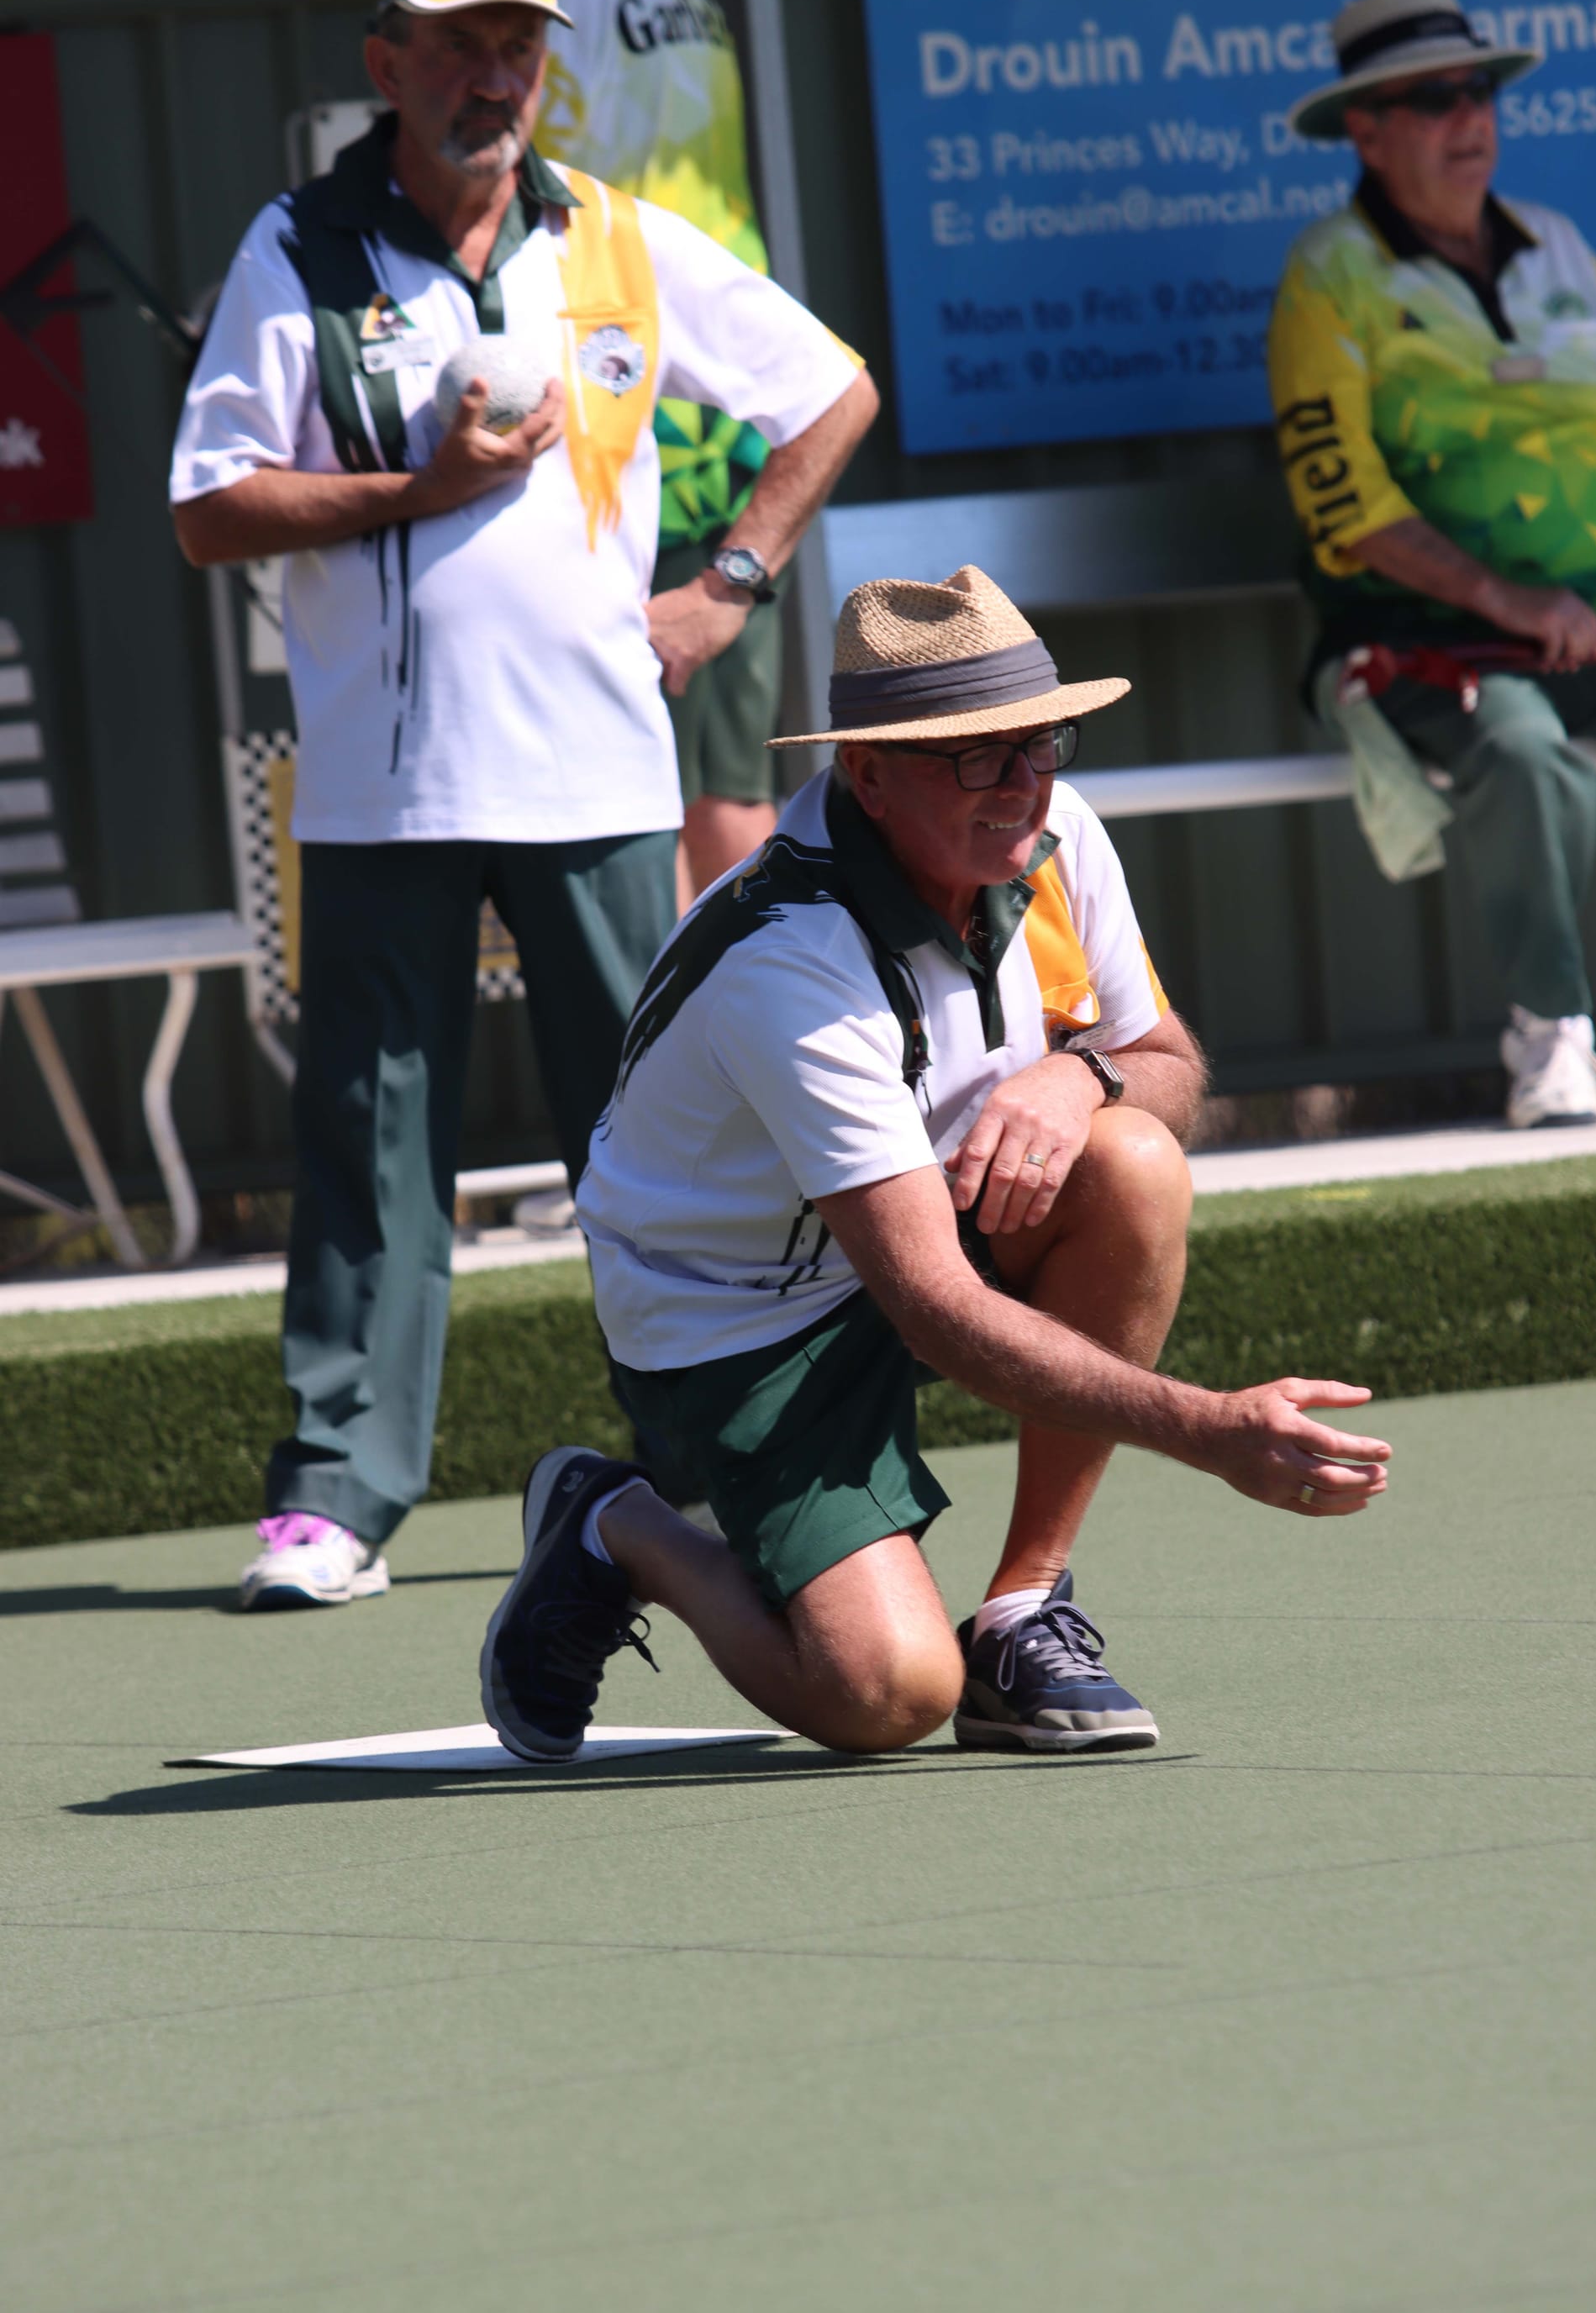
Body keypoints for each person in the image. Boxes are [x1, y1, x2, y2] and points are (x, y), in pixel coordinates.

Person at [169, 0, 877, 1610]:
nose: (495, 77)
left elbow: (831, 392)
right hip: (375, 787)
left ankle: (709, 1475)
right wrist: (408, 495)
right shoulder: (301, 246)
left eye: (519, 49)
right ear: (387, 64)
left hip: (602, 780)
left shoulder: (616, 238)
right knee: (367, 1146)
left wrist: (731, 586)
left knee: (655, 1152)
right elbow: (209, 507)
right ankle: (339, 1493)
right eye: (460, 45)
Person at [476, 567, 1392, 1762]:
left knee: (1131, 1164)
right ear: (867, 774)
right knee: (888, 1697)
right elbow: (938, 1311)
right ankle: (618, 1522)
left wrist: (1081, 1078)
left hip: (915, 1232)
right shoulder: (787, 960)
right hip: (734, 1323)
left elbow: (1165, 1059)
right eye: (975, 756)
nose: (1023, 785)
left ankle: (1022, 1611)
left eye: (1039, 743)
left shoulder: (1054, 835)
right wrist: (1212, 1429)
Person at [1270, 0, 1596, 1129]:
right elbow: (1339, 493)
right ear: (1366, 127)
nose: (1473, 116)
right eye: (1436, 96)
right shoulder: (1329, 274)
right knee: (1528, 753)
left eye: (1482, 90)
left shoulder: (1560, 243)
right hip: (1441, 635)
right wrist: (1505, 594)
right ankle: (1552, 1036)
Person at [533, 0, 791, 909]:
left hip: (635, 425)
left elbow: (525, 185)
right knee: (729, 788)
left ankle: (696, 1049)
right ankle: (746, 1035)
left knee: (638, 804)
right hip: (725, 425)